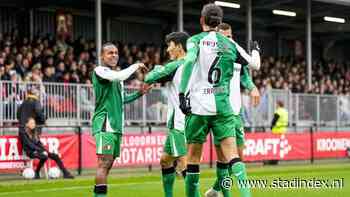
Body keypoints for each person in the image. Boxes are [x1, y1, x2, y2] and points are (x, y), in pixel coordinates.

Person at [178, 4, 257, 197]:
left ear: (201, 20)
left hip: (198, 108)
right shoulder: (230, 44)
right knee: (233, 156)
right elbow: (255, 64)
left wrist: (182, 93)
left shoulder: (195, 41)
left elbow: (188, 62)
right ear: (219, 22)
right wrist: (255, 50)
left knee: (193, 158)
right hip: (222, 107)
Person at [206, 22, 261, 197]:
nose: (228, 39)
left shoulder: (235, 53)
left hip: (235, 112)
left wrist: (252, 87)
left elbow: (245, 73)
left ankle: (215, 189)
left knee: (238, 157)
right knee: (225, 158)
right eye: (224, 36)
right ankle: (223, 193)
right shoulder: (211, 53)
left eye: (230, 36)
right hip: (220, 110)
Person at [91, 43, 150, 197]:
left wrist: (139, 93)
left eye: (116, 53)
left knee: (108, 164)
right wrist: (136, 65)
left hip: (116, 127)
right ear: (102, 56)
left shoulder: (117, 77)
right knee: (104, 164)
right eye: (110, 53)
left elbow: (121, 99)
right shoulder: (100, 71)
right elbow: (119, 75)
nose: (114, 55)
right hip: (105, 124)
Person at [143, 31, 190, 197]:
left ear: (178, 46)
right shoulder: (191, 63)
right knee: (165, 160)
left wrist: (158, 68)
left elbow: (149, 78)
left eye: (170, 45)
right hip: (184, 120)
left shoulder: (176, 65)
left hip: (180, 121)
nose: (168, 49)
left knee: (184, 163)